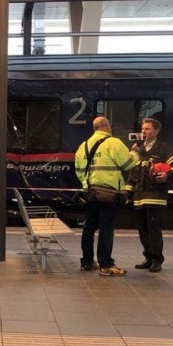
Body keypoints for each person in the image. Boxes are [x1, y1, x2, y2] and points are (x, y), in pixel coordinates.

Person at [74, 116, 137, 276]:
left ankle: (87, 262)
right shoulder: (113, 142)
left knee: (88, 228)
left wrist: (87, 185)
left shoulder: (83, 146)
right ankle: (106, 264)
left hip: (90, 193)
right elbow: (128, 164)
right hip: (109, 194)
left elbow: (79, 171)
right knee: (106, 229)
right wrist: (135, 153)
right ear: (107, 126)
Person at [124, 117, 173, 272]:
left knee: (154, 228)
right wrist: (128, 192)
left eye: (147, 128)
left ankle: (157, 260)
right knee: (143, 229)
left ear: (156, 130)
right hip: (139, 197)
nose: (144, 131)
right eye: (143, 129)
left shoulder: (163, 148)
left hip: (156, 197)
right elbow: (133, 173)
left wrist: (167, 176)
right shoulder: (139, 149)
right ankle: (148, 257)